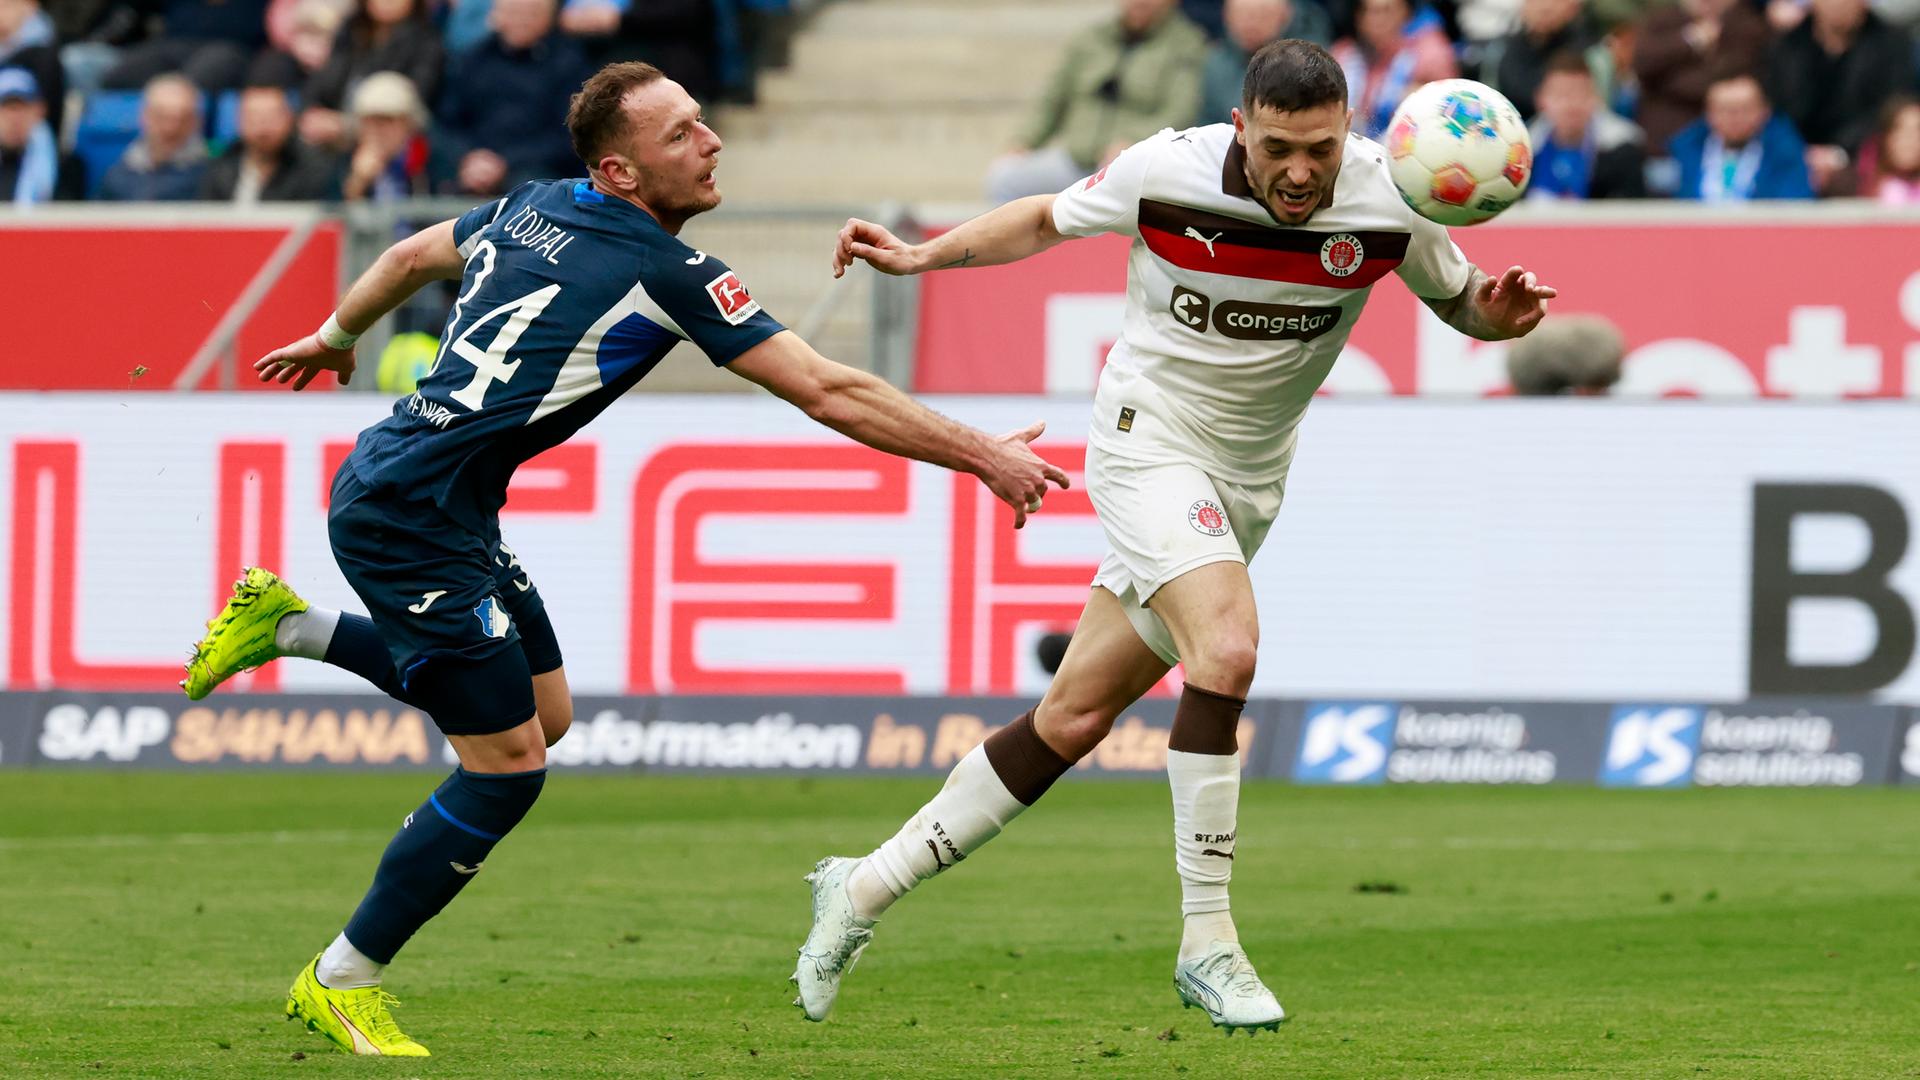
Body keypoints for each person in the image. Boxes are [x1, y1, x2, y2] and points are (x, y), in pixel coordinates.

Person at [178, 59, 1068, 1058]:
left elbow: (413, 255)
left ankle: (288, 624)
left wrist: (338, 335)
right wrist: (983, 454)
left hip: (441, 499)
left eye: (703, 122)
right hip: (408, 516)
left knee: (544, 718)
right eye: (682, 132)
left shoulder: (531, 205)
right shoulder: (667, 271)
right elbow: (829, 391)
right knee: (507, 769)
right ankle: (343, 977)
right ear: (620, 172)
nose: (711, 140)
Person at [802, 39, 1553, 1033]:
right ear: (1243, 127)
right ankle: (1210, 942)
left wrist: (1496, 320)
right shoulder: (1170, 170)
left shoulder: (1388, 196)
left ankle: (859, 889)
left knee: (1071, 718)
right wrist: (920, 255)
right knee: (1229, 648)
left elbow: (1465, 302)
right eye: (1280, 147)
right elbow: (1041, 218)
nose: (1299, 172)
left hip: (1248, 483)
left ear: (1347, 135)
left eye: (1319, 150)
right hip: (1145, 442)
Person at [984, 0, 1208, 203]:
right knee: (1006, 177)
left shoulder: (1187, 44)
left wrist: (1134, 143)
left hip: (1133, 166)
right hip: (1074, 160)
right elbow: (1052, 100)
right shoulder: (1090, 39)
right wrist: (1024, 141)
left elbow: (1180, 112)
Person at [434, 0, 590, 196]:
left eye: (531, 13)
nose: (521, 20)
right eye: (513, 12)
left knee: (530, 188)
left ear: (549, 18)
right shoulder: (472, 60)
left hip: (538, 172)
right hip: (473, 166)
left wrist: (506, 162)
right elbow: (447, 123)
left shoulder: (569, 65)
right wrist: (468, 157)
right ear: (495, 16)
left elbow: (569, 136)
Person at [1763, 0, 1910, 194]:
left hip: (1866, 159)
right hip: (1795, 158)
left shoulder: (1894, 45)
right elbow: (1776, 108)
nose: (1839, 4)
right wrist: (1799, 153)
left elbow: (1891, 110)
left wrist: (1840, 154)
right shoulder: (1787, 46)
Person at [300, 0, 444, 150]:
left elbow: (410, 105)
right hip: (329, 132)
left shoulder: (427, 43)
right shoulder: (351, 29)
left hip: (384, 145)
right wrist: (312, 111)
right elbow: (320, 81)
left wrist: (347, 126)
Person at [1632, 0, 1769, 154]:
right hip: (1662, 143)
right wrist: (1690, 41)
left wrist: (1664, 79)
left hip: (1724, 149)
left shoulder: (1746, 25)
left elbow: (1725, 79)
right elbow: (1643, 63)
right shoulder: (1663, 20)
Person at [1669, 72, 1814, 201]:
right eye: (1725, 110)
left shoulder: (1785, 152)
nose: (1735, 118)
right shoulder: (1686, 149)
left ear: (1765, 111)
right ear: (1708, 114)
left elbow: (1795, 205)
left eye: (1745, 109)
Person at [1526, 51, 1646, 200]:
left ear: (1596, 97)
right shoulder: (1523, 152)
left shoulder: (1623, 149)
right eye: (1561, 95)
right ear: (1541, 100)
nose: (1571, 104)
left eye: (1581, 93)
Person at [1329, 0, 1456, 138]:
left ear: (1405, 12)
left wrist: (1420, 99)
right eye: (1367, 11)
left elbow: (1446, 116)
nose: (1376, 20)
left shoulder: (1430, 52)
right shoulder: (1342, 53)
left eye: (1386, 11)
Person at [199, 82, 340, 202]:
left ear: (290, 119)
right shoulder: (221, 166)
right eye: (254, 118)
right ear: (239, 121)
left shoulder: (312, 169)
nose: (263, 126)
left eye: (271, 117)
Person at [1198, 0, 1334, 124]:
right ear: (1226, 17)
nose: (1250, 24)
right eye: (1242, 16)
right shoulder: (1216, 62)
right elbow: (1207, 120)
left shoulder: (1306, 62)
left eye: (1261, 16)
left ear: (1285, 17)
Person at [98, 72, 209, 201]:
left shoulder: (211, 177)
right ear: (145, 117)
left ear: (196, 122)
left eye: (182, 119)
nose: (170, 128)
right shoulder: (116, 177)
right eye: (161, 117)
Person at [1482, 0, 1594, 122]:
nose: (1545, 7)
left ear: (1574, 6)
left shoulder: (1591, 54)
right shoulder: (1501, 50)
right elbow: (1490, 104)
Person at [339, 71, 429, 201]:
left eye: (385, 120)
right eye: (368, 121)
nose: (375, 130)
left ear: (408, 122)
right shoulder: (346, 157)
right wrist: (357, 182)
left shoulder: (427, 156)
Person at [0, 66, 82, 203]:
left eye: (22, 108)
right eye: (7, 109)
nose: (14, 118)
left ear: (39, 110)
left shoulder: (65, 166)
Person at [1858, 96, 1920, 204]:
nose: (1909, 139)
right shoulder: (1856, 185)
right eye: (1899, 129)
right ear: (1885, 137)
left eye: (1917, 130)